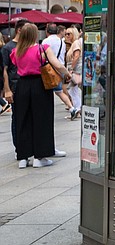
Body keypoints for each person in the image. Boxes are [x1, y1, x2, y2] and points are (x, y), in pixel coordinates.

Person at [11, 23, 70, 168]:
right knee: (42, 119)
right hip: (40, 85)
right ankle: (40, 156)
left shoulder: (16, 51)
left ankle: (23, 157)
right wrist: (67, 74)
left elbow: (14, 65)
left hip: (22, 86)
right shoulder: (42, 48)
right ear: (35, 35)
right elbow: (56, 64)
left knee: (23, 120)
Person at [2, 19, 29, 151]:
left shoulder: (28, 45)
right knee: (17, 117)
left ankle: (27, 145)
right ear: (19, 30)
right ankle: (18, 146)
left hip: (28, 85)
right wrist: (7, 90)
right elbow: (4, 70)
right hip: (15, 86)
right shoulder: (8, 48)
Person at [42, 23, 76, 119]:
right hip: (59, 68)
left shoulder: (45, 41)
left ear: (47, 31)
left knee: (46, 91)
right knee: (59, 91)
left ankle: (45, 111)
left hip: (48, 69)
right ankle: (71, 107)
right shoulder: (61, 42)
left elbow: (42, 56)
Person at [65, 27, 84, 120]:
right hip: (75, 68)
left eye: (69, 34)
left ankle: (78, 109)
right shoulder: (73, 44)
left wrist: (71, 69)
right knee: (73, 89)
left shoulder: (76, 43)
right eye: (66, 34)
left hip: (76, 69)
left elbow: (76, 56)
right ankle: (78, 109)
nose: (67, 36)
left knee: (72, 89)